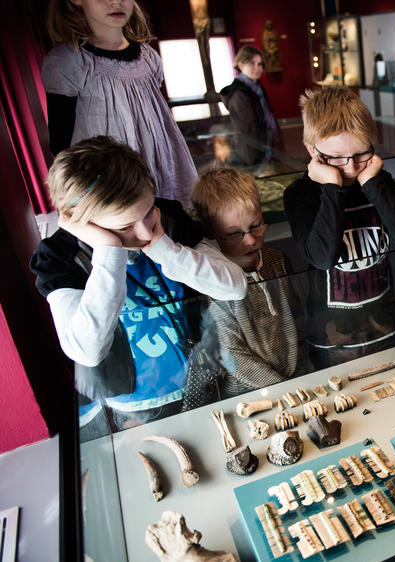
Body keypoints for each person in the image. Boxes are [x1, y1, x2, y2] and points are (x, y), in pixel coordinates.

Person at [30, 137, 246, 434]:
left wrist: (165, 249)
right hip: (134, 404)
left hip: (203, 375)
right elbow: (87, 350)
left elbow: (234, 286)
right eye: (124, 226)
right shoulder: (59, 257)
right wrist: (109, 251)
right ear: (84, 222)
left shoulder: (167, 220)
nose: (145, 232)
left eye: (147, 212)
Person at [283, 86, 395, 367]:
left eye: (361, 154)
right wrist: (331, 187)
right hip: (333, 336)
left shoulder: (374, 181)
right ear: (312, 149)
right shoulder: (301, 194)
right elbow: (322, 257)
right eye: (336, 158)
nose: (349, 168)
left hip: (385, 324)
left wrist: (372, 182)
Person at [42, 0, 197, 208]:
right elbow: (61, 142)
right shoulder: (70, 62)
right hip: (112, 180)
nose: (116, 2)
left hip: (160, 168)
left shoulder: (148, 57)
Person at [191, 168, 300, 397]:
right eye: (234, 234)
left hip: (296, 377)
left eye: (256, 225)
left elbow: (298, 315)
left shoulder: (276, 260)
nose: (250, 239)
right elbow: (231, 352)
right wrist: (282, 388)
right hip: (247, 391)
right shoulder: (215, 281)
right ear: (212, 233)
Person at [220, 45, 278, 166]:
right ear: (241, 65)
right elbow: (247, 130)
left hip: (265, 144)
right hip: (252, 150)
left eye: (260, 64)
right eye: (252, 63)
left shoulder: (257, 87)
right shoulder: (239, 93)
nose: (258, 68)